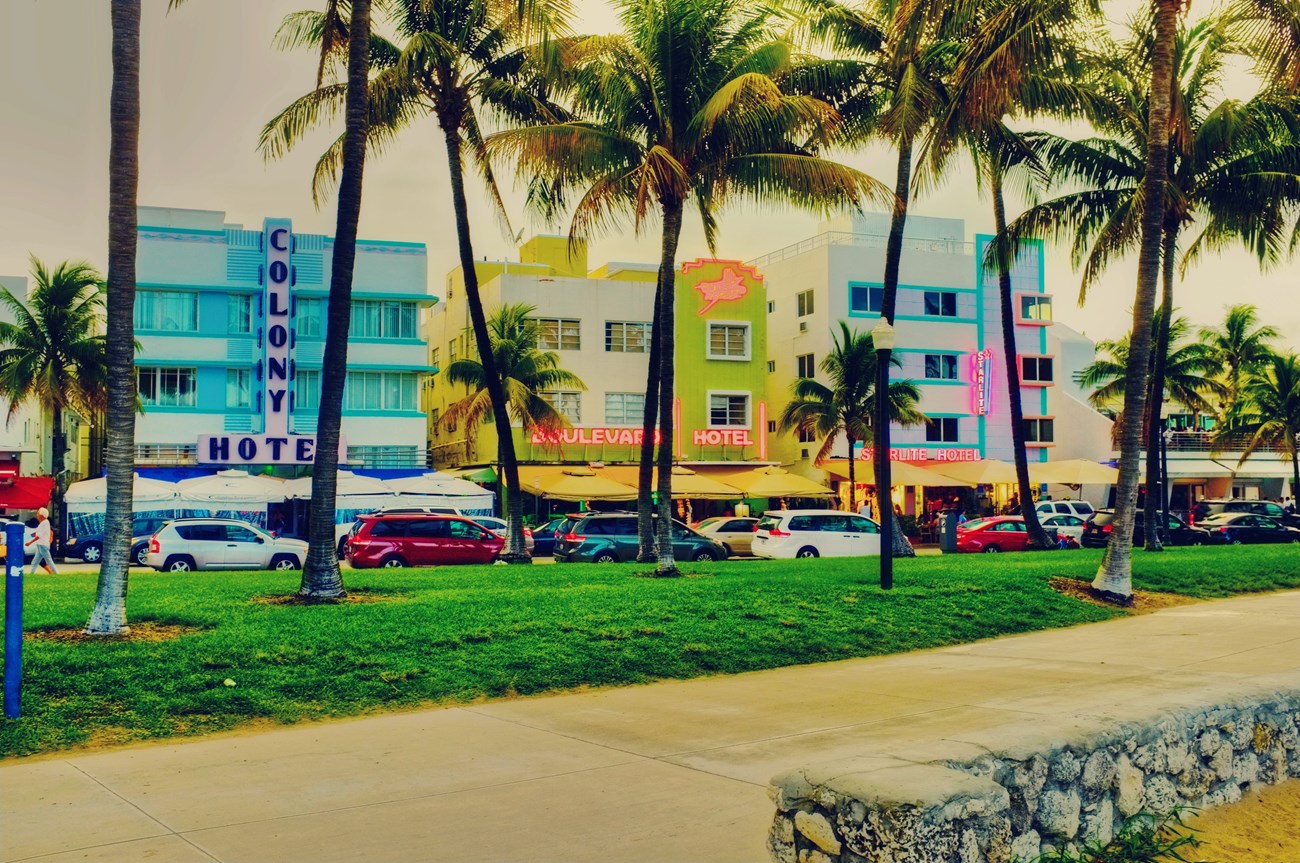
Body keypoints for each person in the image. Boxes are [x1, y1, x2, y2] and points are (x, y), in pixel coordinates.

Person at [26, 507, 57, 575]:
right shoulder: (43, 523)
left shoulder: (44, 523)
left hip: (43, 545)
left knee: (49, 560)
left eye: (38, 513)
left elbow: (39, 536)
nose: (37, 515)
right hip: (40, 545)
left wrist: (30, 542)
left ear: (42, 515)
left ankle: (56, 573)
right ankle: (31, 574)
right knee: (35, 561)